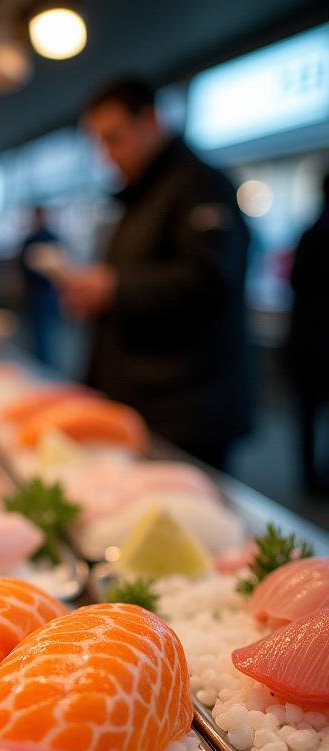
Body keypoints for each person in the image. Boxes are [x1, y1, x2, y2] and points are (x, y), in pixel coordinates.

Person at [63, 77, 252, 470]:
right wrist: (97, 296)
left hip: (187, 409)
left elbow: (210, 279)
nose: (106, 155)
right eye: (99, 142)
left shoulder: (201, 185)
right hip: (139, 398)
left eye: (113, 138)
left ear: (150, 121)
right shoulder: (139, 195)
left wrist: (115, 289)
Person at [285, 170, 329, 493]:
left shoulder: (309, 233)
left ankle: (308, 477)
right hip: (319, 341)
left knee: (306, 415)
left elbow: (293, 281)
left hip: (304, 340)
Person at [18, 207, 60, 365]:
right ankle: (38, 361)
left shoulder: (50, 237)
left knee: (45, 330)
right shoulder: (31, 239)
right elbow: (22, 266)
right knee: (35, 330)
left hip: (46, 291)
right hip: (33, 291)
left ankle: (44, 362)